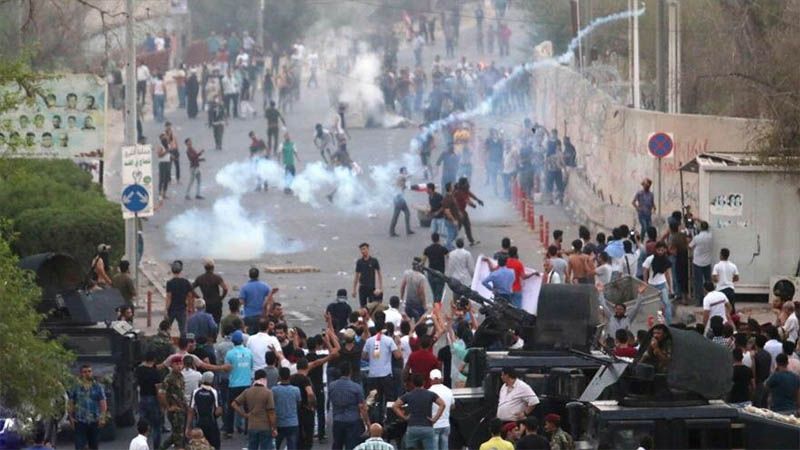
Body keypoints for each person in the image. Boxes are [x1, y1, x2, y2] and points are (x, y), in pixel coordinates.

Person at [392, 373, 446, 450]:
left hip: (412, 427)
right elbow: (442, 404)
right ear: (423, 382)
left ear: (413, 383)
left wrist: (405, 417)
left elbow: (395, 406)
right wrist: (435, 418)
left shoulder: (408, 395)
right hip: (427, 427)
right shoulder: (430, 394)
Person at [363, 326, 403, 423]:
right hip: (386, 375)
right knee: (389, 400)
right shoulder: (389, 340)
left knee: (375, 401)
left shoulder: (369, 341)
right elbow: (398, 355)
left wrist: (372, 358)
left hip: (373, 375)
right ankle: (390, 421)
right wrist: (398, 344)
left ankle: (375, 423)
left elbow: (364, 356)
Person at [231, 369, 277, 450]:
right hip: (265, 426)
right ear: (264, 378)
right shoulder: (268, 392)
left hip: (252, 425)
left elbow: (234, 404)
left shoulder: (247, 391)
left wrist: (243, 414)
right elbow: (271, 412)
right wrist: (274, 427)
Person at [329, 363, 369, 450]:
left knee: (337, 445)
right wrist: (367, 424)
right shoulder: (356, 387)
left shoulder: (332, 386)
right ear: (350, 372)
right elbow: (362, 407)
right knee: (351, 446)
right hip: (353, 420)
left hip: (337, 419)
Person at [68, 364, 108, 450]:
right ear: (81, 374)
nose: (87, 373)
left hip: (94, 421)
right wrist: (71, 417)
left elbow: (103, 403)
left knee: (94, 446)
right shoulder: (76, 387)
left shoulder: (98, 387)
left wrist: (102, 417)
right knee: (79, 446)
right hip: (80, 421)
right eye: (85, 372)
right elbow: (71, 402)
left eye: (89, 371)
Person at [223, 330, 254, 438]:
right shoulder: (249, 352)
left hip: (234, 384)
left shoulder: (230, 353)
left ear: (233, 341)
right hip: (246, 383)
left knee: (231, 408)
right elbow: (251, 366)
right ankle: (248, 429)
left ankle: (229, 431)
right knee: (248, 407)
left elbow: (226, 368)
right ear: (242, 341)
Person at [186, 371, 221, 450]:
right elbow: (218, 411)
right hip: (211, 423)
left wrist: (188, 427)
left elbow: (191, 410)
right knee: (214, 445)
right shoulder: (214, 392)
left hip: (199, 423)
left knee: (197, 446)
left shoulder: (195, 392)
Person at [135, 352, 163, 449]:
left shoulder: (139, 370)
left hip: (142, 397)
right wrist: (162, 404)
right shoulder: (155, 372)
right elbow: (158, 389)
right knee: (156, 427)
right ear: (154, 359)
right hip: (153, 399)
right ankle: (156, 447)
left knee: (143, 426)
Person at [159, 356, 188, 450]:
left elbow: (181, 392)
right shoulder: (169, 378)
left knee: (178, 434)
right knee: (178, 435)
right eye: (176, 364)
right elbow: (161, 393)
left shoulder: (180, 376)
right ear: (171, 365)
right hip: (175, 411)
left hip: (182, 408)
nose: (179, 366)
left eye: (181, 364)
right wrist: (168, 407)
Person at [642, 242, 674, 324]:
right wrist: (645, 282)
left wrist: (670, 288)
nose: (660, 252)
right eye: (659, 250)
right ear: (656, 250)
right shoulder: (650, 259)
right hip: (652, 286)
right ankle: (657, 322)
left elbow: (668, 275)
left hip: (662, 284)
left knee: (666, 304)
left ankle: (669, 323)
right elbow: (645, 270)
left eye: (662, 250)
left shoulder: (666, 261)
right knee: (655, 306)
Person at [239, 267, 276, 334]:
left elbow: (242, 302)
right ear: (258, 275)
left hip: (248, 315)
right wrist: (268, 312)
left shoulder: (244, 287)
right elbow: (271, 300)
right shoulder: (265, 286)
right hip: (261, 316)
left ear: (249, 275)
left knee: (250, 336)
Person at [192, 258, 228, 325]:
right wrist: (221, 298)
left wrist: (198, 297)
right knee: (216, 322)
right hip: (216, 303)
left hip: (205, 303)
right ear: (213, 267)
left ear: (205, 268)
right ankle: (214, 334)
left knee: (206, 322)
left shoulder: (200, 278)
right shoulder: (217, 278)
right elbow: (225, 288)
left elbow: (191, 288)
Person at [273, 367, 301, 450]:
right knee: (292, 446)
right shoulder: (296, 390)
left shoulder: (274, 390)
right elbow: (298, 404)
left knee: (276, 445)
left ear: (279, 377)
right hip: (293, 422)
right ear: (290, 376)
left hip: (279, 422)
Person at [428, 369, 454, 450]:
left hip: (433, 425)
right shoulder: (449, 390)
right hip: (446, 424)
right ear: (441, 379)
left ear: (430, 380)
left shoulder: (429, 392)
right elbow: (453, 406)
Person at [166, 260, 193, 336]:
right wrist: (190, 308)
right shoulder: (186, 282)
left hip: (171, 309)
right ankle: (183, 345)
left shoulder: (170, 283)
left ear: (172, 270)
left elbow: (169, 297)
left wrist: (166, 309)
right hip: (182, 309)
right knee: (183, 330)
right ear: (181, 270)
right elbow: (190, 296)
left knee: (167, 328)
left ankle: (167, 342)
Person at [689, 221, 713, 306]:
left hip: (697, 262)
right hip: (707, 262)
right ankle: (710, 299)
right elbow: (709, 226)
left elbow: (690, 246)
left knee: (698, 282)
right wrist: (698, 219)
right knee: (708, 280)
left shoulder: (696, 238)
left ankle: (700, 301)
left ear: (700, 228)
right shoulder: (710, 236)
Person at [353, 242, 383, 308]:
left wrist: (380, 288)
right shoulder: (359, 262)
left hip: (371, 288)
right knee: (362, 307)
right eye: (361, 250)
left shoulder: (374, 261)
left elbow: (379, 274)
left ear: (368, 249)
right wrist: (354, 289)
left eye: (364, 249)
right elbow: (356, 276)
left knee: (371, 307)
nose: (363, 251)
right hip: (362, 288)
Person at [423, 233, 449, 303]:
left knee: (434, 293)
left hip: (431, 273)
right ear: (439, 239)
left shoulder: (427, 249)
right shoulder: (443, 249)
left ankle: (435, 307)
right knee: (439, 294)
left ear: (432, 239)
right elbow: (449, 257)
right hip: (440, 274)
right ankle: (436, 309)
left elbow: (423, 261)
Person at [390, 166, 414, 237]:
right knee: (396, 216)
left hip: (401, 199)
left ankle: (408, 230)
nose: (406, 171)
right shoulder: (401, 176)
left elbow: (407, 186)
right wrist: (409, 176)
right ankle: (391, 231)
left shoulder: (402, 177)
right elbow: (406, 178)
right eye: (405, 170)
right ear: (402, 171)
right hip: (398, 199)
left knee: (407, 213)